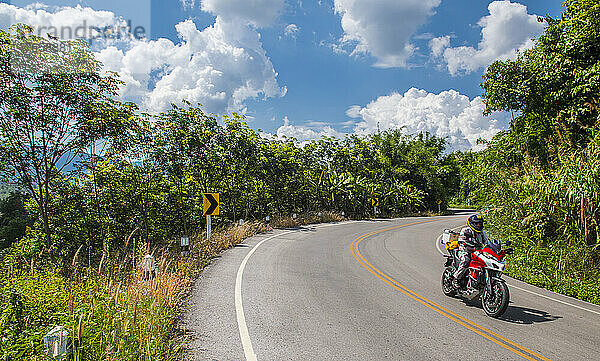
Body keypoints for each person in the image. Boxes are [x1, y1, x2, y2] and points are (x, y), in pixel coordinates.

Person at [453, 214, 487, 289]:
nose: (478, 225)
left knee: (485, 263)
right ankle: (456, 278)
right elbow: (461, 241)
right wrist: (470, 247)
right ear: (471, 223)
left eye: (480, 223)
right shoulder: (465, 230)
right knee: (466, 261)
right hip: (464, 250)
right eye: (476, 223)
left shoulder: (482, 232)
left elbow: (487, 242)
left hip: (478, 252)